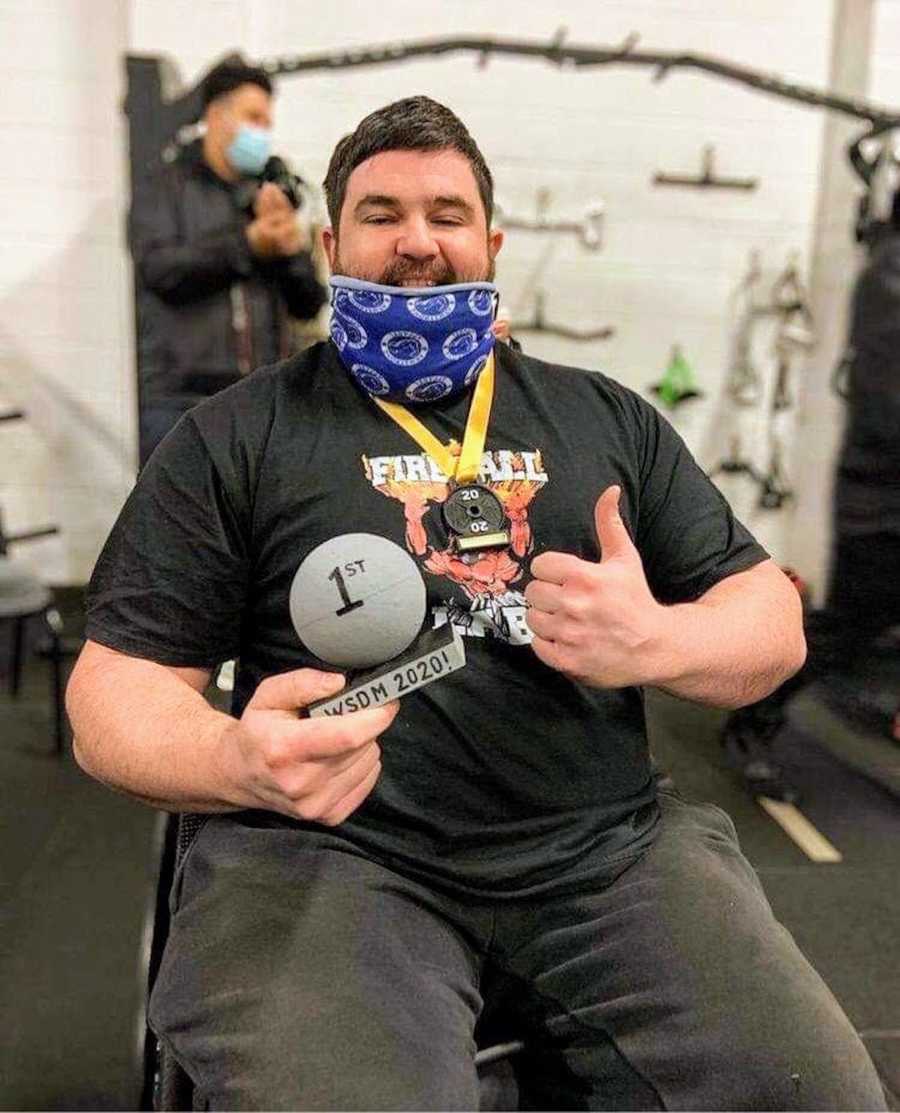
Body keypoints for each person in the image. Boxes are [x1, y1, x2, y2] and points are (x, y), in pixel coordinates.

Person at [67, 96, 885, 1111]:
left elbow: (768, 616)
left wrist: (660, 639)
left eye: (448, 214)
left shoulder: (605, 416)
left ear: (491, 242)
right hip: (333, 855)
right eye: (382, 214)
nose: (418, 242)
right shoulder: (234, 436)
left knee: (820, 1096)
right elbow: (115, 695)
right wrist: (235, 758)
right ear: (331, 243)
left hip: (605, 854)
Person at [723, 226, 900, 801]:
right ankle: (754, 714)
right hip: (884, 502)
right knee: (850, 628)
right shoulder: (892, 274)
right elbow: (886, 404)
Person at [129, 58, 327, 466]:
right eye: (253, 117)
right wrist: (249, 244)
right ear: (216, 115)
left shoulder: (269, 193)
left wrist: (290, 252)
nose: (263, 132)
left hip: (263, 399)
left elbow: (308, 302)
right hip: (180, 402)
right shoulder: (165, 186)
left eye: (267, 122)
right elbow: (160, 269)